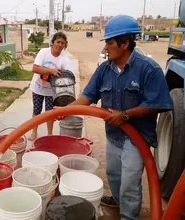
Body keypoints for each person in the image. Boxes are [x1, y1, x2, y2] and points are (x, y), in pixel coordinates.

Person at [59, 15, 173, 219]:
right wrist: (62, 111)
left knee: (130, 183)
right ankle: (119, 200)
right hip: (113, 135)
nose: (105, 48)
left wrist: (126, 115)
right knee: (114, 175)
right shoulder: (104, 70)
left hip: (136, 138)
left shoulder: (149, 69)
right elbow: (87, 97)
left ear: (125, 43)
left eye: (109, 43)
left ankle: (128, 215)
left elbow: (157, 104)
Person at [28, 32, 74, 141]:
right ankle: (34, 132)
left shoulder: (64, 58)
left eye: (62, 43)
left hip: (51, 92)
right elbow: (35, 68)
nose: (59, 45)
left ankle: (49, 134)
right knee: (36, 111)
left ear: (64, 45)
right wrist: (51, 71)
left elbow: (69, 75)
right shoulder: (44, 52)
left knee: (50, 114)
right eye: (58, 42)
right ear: (52, 43)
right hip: (38, 88)